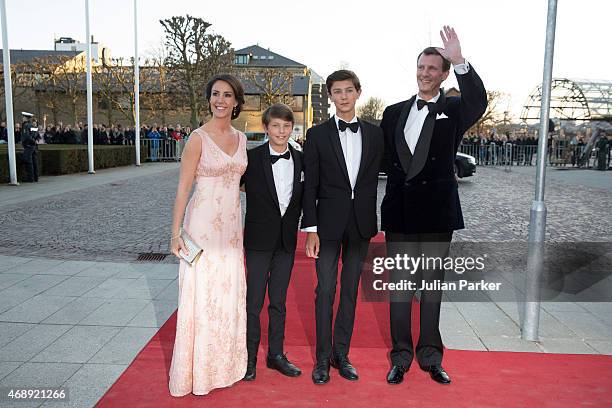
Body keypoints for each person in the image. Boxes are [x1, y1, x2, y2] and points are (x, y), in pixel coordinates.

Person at [379, 26, 487, 385]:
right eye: (421, 67)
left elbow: (478, 101)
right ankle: (400, 356)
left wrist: (460, 60)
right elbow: (381, 160)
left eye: (432, 68)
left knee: (431, 288)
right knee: (400, 288)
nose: (425, 73)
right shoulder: (393, 113)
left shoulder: (454, 109)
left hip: (437, 214)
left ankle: (430, 356)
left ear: (442, 75)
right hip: (400, 214)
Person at [302, 70, 384, 384]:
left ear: (358, 93)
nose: (343, 97)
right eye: (337, 91)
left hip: (361, 225)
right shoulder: (317, 134)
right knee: (325, 291)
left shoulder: (375, 135)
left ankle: (341, 355)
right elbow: (310, 185)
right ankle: (321, 360)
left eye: (349, 90)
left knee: (349, 292)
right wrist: (310, 228)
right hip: (326, 225)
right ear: (331, 95)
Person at [168, 74, 248, 397]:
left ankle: (224, 366)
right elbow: (183, 189)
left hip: (231, 230)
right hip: (200, 229)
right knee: (201, 298)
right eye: (215, 94)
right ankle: (196, 373)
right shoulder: (197, 139)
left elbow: (239, 181)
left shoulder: (242, 139)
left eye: (227, 95)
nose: (220, 100)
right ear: (209, 99)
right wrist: (175, 233)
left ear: (236, 102)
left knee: (226, 297)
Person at [241, 103, 304, 381]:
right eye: (276, 126)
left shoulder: (302, 160)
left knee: (278, 301)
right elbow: (231, 189)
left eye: (286, 126)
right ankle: (249, 357)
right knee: (253, 302)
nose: (281, 131)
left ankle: (276, 354)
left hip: (286, 242)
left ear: (292, 128)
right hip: (257, 241)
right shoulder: (250, 159)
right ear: (266, 127)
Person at [20, 112, 39, 182]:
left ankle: (30, 178)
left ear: (26, 118)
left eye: (23, 117)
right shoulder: (32, 125)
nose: (22, 118)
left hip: (28, 145)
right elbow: (36, 134)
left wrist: (31, 141)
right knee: (34, 161)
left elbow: (26, 136)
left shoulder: (26, 125)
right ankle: (35, 177)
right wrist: (35, 140)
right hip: (33, 146)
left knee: (28, 161)